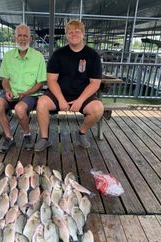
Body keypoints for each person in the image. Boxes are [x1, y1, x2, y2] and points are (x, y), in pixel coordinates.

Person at [34, 20, 104, 152]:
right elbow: (52, 80)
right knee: (42, 103)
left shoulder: (92, 56)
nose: (73, 34)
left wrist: (80, 100)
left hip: (82, 96)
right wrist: (60, 99)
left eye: (77, 31)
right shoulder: (58, 54)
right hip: (59, 93)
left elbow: (95, 83)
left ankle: (82, 133)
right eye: (70, 32)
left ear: (83, 34)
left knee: (98, 108)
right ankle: (44, 138)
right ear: (66, 35)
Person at [0, 23, 46, 153]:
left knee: (19, 108)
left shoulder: (38, 57)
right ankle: (9, 137)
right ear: (15, 38)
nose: (23, 39)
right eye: (20, 36)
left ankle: (27, 135)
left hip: (29, 95)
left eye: (25, 36)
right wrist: (7, 91)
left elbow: (40, 83)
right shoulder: (8, 56)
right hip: (10, 94)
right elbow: (5, 80)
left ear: (30, 39)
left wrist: (26, 93)